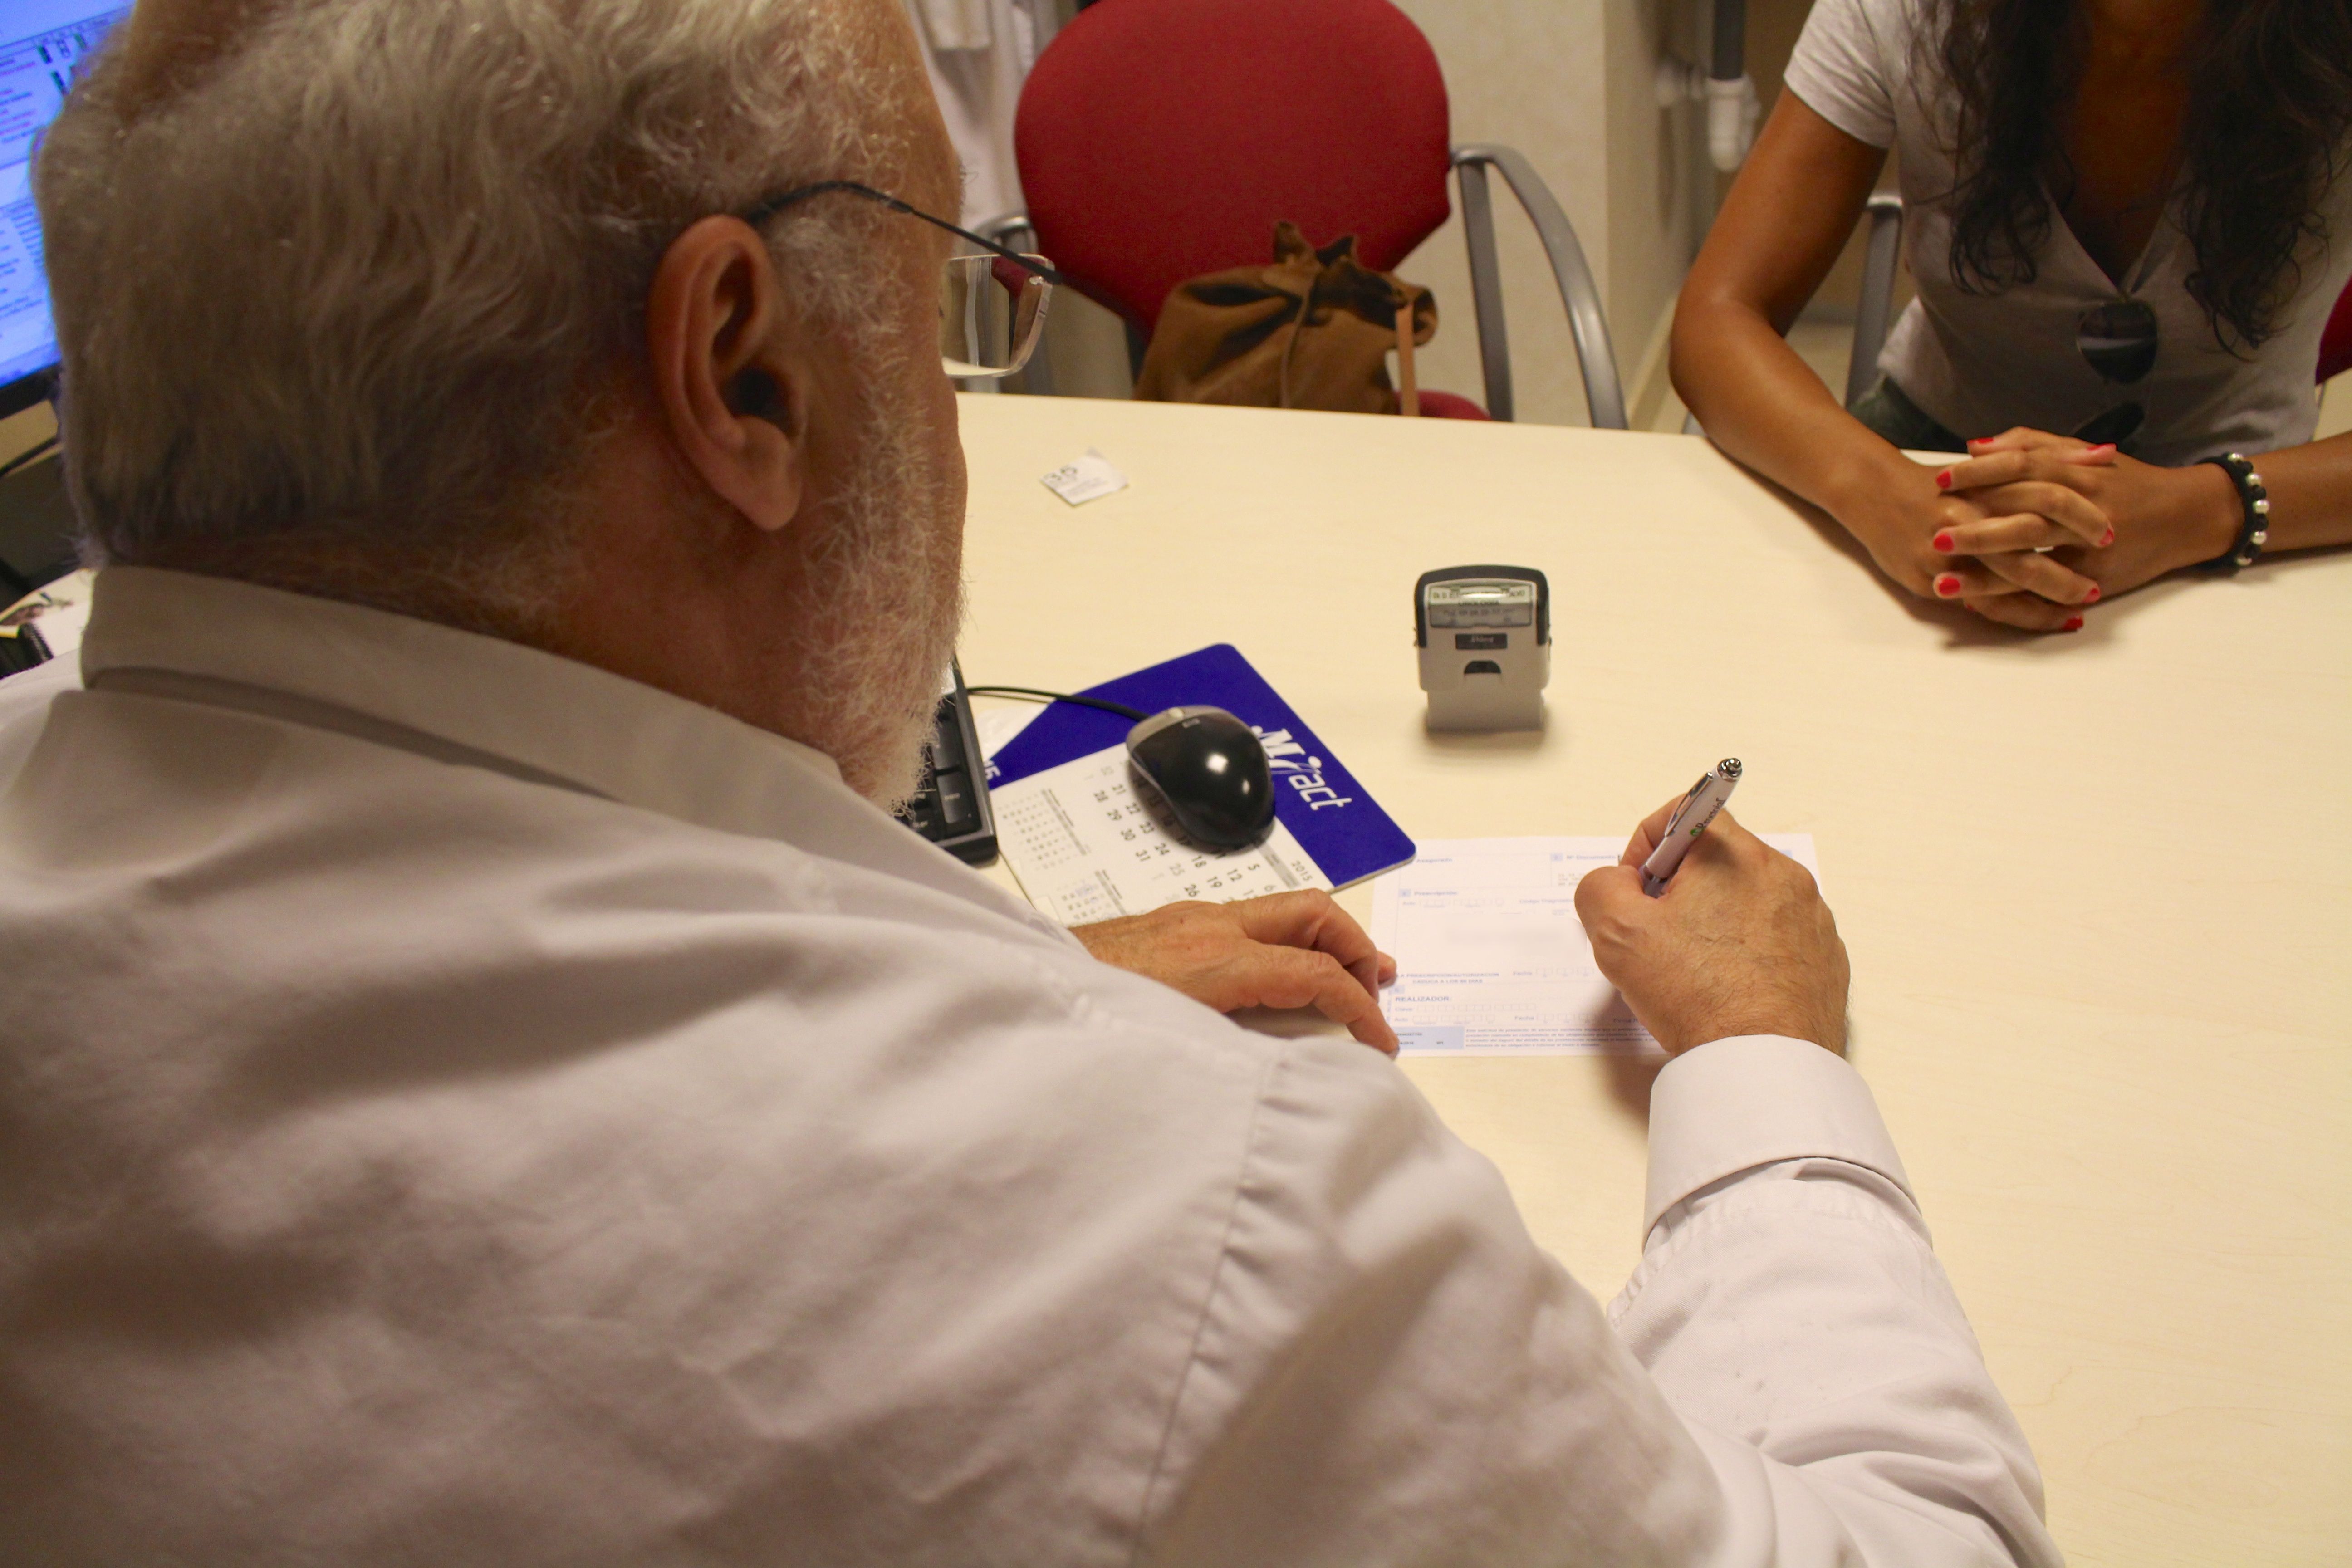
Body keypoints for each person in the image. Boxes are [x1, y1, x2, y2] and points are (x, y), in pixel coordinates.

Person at [0, 0, 2058, 1562]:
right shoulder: (1192, 1230)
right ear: (741, 371)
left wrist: (1002, 977)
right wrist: (1760, 1063)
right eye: (929, 284)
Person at [1674, 0, 2352, 632]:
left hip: (2257, 499)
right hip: (1929, 462)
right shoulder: (1904, 13)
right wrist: (1883, 492)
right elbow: (1718, 317)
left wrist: (2204, 509)